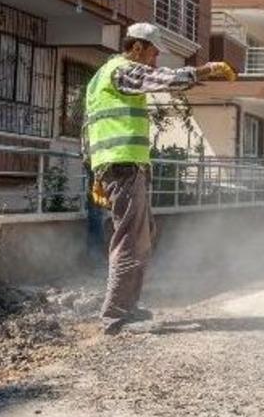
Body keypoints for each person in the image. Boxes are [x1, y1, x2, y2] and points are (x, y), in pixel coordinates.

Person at [84, 22, 226, 335]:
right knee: (131, 239)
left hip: (117, 166)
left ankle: (127, 308)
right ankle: (115, 316)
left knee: (143, 233)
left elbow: (88, 128)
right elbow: (163, 80)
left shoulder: (100, 78)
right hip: (123, 165)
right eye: (153, 51)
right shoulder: (124, 69)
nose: (155, 58)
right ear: (137, 47)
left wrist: (95, 171)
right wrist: (205, 70)